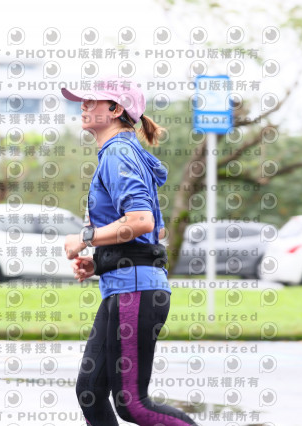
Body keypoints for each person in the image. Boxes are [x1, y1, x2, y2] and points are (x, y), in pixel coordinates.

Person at [63, 77, 197, 426]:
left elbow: (141, 221)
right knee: (91, 392)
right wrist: (100, 263)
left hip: (135, 290)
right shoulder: (121, 152)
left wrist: (86, 237)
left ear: (115, 109)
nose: (83, 105)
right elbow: (156, 232)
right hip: (124, 285)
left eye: (91, 100)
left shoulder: (119, 153)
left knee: (133, 405)